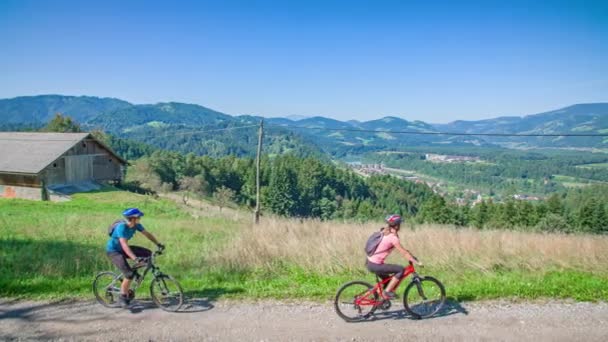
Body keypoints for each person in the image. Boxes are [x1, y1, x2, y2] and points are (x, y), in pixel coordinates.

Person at [106, 208, 164, 308]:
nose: (140, 218)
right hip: (114, 251)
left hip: (124, 249)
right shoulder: (121, 227)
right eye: (139, 217)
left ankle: (135, 273)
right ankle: (122, 297)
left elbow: (147, 234)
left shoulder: (136, 225)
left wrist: (158, 244)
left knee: (148, 254)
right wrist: (135, 258)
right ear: (133, 218)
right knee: (129, 274)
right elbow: (124, 244)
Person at [366, 214, 421, 299]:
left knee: (388, 282)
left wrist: (410, 255)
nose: (400, 226)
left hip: (370, 262)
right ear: (396, 226)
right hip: (375, 265)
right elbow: (403, 252)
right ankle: (387, 292)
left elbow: (403, 250)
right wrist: (417, 262)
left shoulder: (385, 232)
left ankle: (378, 300)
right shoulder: (393, 238)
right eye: (399, 224)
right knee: (400, 269)